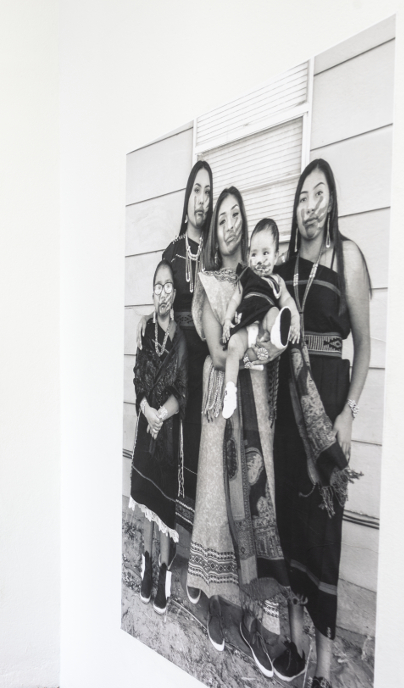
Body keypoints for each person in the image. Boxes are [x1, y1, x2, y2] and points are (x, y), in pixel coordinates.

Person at [272, 159, 370, 688]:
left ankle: (325, 671)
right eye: (302, 196)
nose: (310, 205)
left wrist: (349, 414)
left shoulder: (347, 258)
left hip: (328, 418)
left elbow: (365, 346)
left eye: (319, 195)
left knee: (324, 537)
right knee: (286, 528)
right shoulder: (283, 267)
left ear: (330, 203)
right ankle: (294, 640)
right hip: (286, 417)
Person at [187, 187, 289, 674]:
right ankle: (216, 602)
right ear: (214, 229)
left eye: (235, 216)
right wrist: (252, 351)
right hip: (220, 398)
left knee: (253, 493)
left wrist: (259, 347)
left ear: (244, 224)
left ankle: (253, 612)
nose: (228, 223)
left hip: (256, 399)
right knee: (215, 497)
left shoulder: (260, 278)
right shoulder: (206, 282)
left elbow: (279, 334)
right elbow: (214, 344)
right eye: (221, 218)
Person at [160, 162, 213, 600]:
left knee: (201, 452)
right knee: (174, 449)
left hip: (208, 365)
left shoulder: (216, 252)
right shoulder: (173, 252)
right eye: (197, 190)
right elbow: (160, 304)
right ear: (187, 197)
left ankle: (198, 555)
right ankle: (174, 545)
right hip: (178, 359)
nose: (202, 199)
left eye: (208, 192)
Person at [130, 261, 187, 614]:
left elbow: (182, 391)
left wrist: (160, 414)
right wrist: (146, 411)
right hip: (145, 424)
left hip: (167, 434)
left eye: (168, 286)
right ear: (152, 292)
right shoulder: (144, 331)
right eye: (157, 286)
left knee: (164, 507)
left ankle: (164, 570)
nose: (162, 292)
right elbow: (138, 380)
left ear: (174, 293)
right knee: (147, 499)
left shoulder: (180, 339)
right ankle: (147, 562)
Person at [219, 218, 301, 418]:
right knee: (232, 347)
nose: (260, 260)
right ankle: (229, 391)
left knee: (274, 313)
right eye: (254, 254)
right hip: (246, 325)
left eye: (265, 253)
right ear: (248, 257)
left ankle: (277, 335)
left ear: (275, 257)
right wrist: (228, 320)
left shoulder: (276, 280)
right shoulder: (246, 277)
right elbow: (234, 300)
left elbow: (288, 302)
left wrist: (296, 322)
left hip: (265, 323)